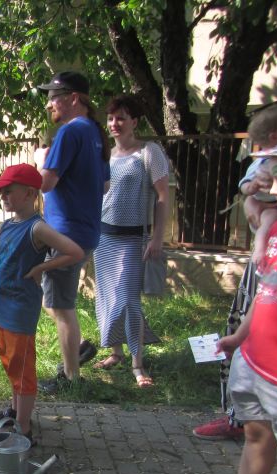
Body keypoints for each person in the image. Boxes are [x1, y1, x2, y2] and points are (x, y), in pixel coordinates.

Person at [203, 145, 277, 474]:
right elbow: (266, 290)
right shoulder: (273, 229)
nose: (263, 181)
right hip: (257, 357)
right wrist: (241, 336)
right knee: (255, 432)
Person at [193, 102, 277, 441]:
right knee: (243, 325)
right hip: (265, 266)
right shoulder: (265, 163)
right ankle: (239, 417)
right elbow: (249, 194)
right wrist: (251, 195)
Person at [0, 165, 83, 441]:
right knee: (10, 361)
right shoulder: (7, 225)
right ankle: (16, 412)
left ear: (29, 194)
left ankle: (23, 427)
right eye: (1, 191)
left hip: (21, 307)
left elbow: (74, 252)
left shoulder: (37, 227)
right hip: (3, 305)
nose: (2, 196)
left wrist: (42, 268)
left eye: (8, 191)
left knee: (22, 366)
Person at [34, 71, 110, 393]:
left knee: (61, 306)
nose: (49, 103)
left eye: (54, 97)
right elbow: (104, 186)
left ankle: (71, 379)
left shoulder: (69, 132)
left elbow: (45, 183)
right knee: (54, 301)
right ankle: (77, 350)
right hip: (85, 231)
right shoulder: (94, 132)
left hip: (64, 234)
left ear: (74, 98)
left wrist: (40, 159)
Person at [91, 95, 170, 387]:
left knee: (127, 301)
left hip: (133, 239)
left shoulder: (149, 152)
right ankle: (116, 353)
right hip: (103, 239)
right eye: (111, 118)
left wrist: (158, 237)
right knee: (107, 299)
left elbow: (163, 197)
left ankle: (138, 363)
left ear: (135, 122)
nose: (115, 123)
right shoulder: (105, 156)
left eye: (121, 118)